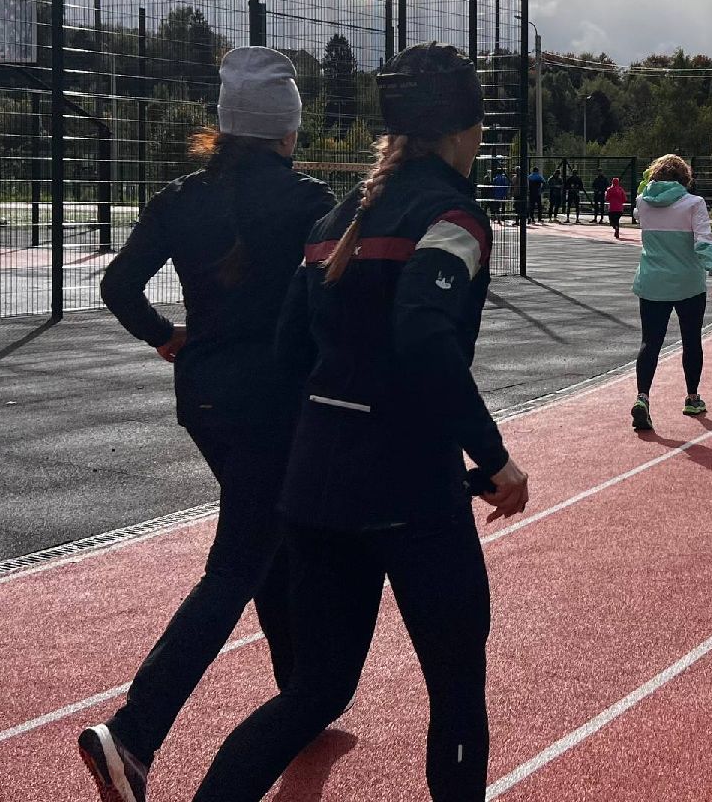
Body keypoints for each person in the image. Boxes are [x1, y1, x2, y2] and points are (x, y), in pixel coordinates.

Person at [192, 42, 529, 802]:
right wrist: (495, 456)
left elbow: (288, 349)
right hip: (411, 490)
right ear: (465, 129)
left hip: (318, 488)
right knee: (455, 691)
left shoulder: (338, 214)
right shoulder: (453, 214)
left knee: (314, 692)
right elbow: (422, 336)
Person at [80, 47, 336, 802]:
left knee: (267, 536)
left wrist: (168, 335)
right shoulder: (306, 202)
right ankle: (134, 732)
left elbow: (118, 285)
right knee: (238, 562)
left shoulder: (178, 197)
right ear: (286, 128)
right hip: (276, 400)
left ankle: (299, 695)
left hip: (204, 399)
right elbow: (324, 304)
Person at [629, 155, 712, 431]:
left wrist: (643, 186)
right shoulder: (694, 204)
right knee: (691, 340)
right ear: (685, 179)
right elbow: (704, 241)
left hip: (652, 282)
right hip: (687, 283)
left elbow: (638, 207)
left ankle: (642, 397)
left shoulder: (642, 204)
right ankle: (692, 397)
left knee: (650, 342)